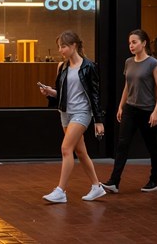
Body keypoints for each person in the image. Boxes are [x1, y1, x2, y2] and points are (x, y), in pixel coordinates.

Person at [38, 31, 106, 203]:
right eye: (59, 46)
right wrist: (50, 92)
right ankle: (96, 187)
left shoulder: (89, 67)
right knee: (80, 152)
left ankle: (61, 191)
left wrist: (98, 120)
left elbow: (96, 95)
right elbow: (61, 92)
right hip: (65, 113)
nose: (61, 50)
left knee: (66, 149)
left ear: (74, 46)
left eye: (64, 46)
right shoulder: (62, 66)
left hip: (82, 112)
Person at [101, 29, 157, 194]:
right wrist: (121, 106)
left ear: (144, 43)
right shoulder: (128, 62)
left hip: (147, 110)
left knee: (152, 146)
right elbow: (127, 86)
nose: (131, 45)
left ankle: (154, 180)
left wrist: (156, 111)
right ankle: (114, 182)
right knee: (122, 144)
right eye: (130, 42)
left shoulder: (152, 63)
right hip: (130, 108)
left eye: (134, 42)